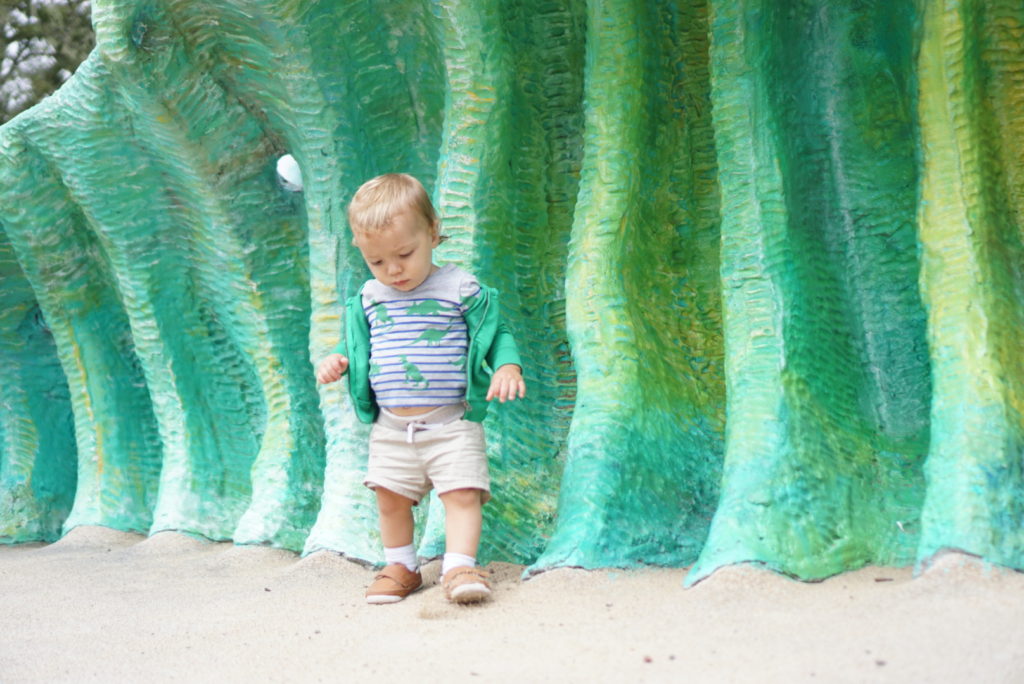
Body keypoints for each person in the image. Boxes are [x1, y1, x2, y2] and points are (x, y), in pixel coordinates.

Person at [315, 173, 526, 605]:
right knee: (390, 499)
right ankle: (401, 566)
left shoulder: (459, 287)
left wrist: (508, 366)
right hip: (393, 428)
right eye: (377, 261)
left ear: (432, 232)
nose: (393, 270)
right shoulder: (371, 296)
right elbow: (357, 342)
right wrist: (338, 358)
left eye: (405, 254)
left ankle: (458, 567)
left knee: (462, 494)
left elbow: (497, 331)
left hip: (451, 422)